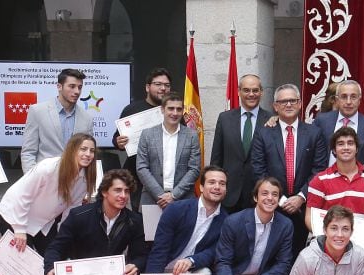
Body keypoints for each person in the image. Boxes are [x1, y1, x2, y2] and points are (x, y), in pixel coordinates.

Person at [0, 133, 98, 275]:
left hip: (44, 223)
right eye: (83, 149)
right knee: (30, 271)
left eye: (92, 151)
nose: (88, 154)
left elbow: (72, 208)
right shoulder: (48, 167)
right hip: (14, 217)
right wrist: (19, 230)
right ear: (72, 150)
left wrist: (65, 237)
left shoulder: (84, 176)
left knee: (50, 266)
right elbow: (23, 196)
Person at [145, 165, 229, 275]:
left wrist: (192, 260)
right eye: (212, 182)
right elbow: (159, 249)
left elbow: (215, 252)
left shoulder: (226, 221)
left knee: (205, 274)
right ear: (200, 187)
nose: (217, 187)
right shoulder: (176, 209)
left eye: (222, 183)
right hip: (167, 268)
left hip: (192, 269)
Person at [251, 83, 328, 261]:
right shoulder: (263, 134)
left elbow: (319, 170)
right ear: (275, 106)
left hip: (303, 209)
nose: (288, 105)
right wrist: (281, 199)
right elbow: (258, 169)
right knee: (271, 257)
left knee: (298, 257)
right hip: (272, 206)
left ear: (300, 104)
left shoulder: (314, 133)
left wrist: (301, 197)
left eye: (293, 100)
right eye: (283, 101)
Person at [212, 177, 293, 275]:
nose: (270, 198)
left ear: (278, 200)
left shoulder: (285, 225)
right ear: (256, 197)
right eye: (265, 193)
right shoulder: (233, 221)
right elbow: (222, 260)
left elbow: (284, 264)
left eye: (275, 194)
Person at [305, 127, 364, 249]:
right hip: (329, 247)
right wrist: (326, 238)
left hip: (362, 246)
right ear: (334, 150)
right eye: (341, 144)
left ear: (357, 149)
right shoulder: (320, 180)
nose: (346, 147)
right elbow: (310, 216)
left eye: (350, 143)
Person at [210, 74, 273, 213]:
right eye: (246, 90)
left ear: (261, 92)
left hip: (258, 194)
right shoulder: (225, 118)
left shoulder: (272, 119)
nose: (251, 94)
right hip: (229, 194)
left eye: (255, 90)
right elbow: (216, 158)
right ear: (238, 92)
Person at [112, 68, 173, 210]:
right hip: (136, 176)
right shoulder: (131, 109)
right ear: (147, 87)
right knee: (138, 219)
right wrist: (118, 142)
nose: (163, 88)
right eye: (158, 84)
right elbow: (116, 139)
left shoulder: (174, 111)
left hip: (166, 177)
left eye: (167, 85)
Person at [20, 68, 94, 173]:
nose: (77, 91)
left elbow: (89, 153)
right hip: (44, 178)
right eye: (72, 86)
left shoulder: (87, 118)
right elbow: (28, 152)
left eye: (80, 87)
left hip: (75, 179)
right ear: (59, 86)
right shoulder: (38, 111)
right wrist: (33, 180)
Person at [136, 91, 201, 208]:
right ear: (162, 109)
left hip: (183, 199)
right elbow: (142, 168)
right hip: (153, 199)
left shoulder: (192, 135)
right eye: (171, 108)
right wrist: (160, 195)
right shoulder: (147, 134)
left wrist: (174, 195)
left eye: (179, 109)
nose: (175, 113)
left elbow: (194, 169)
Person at [312, 80, 364, 165]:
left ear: (359, 100)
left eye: (353, 97)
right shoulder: (322, 121)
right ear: (337, 100)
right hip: (326, 176)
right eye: (344, 97)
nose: (348, 102)